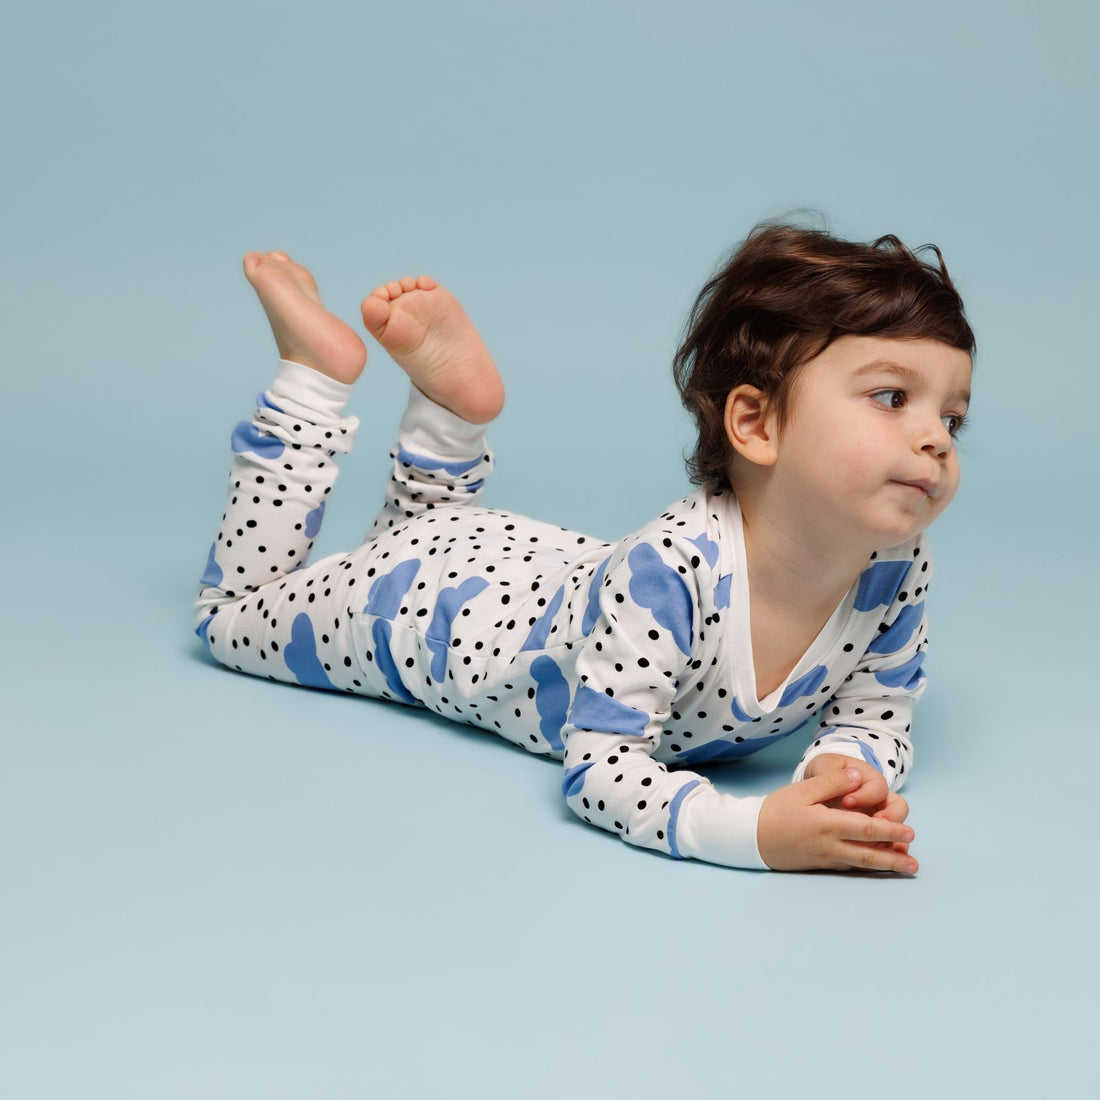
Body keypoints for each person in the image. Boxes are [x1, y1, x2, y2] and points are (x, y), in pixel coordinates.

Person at [194, 223, 974, 874]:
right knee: (228, 620)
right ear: (757, 426)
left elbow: (877, 714)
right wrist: (756, 833)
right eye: (892, 398)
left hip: (525, 567)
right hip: (425, 613)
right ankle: (312, 378)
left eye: (953, 417)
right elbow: (600, 768)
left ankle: (445, 415)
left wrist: (845, 778)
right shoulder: (670, 570)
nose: (935, 438)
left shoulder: (895, 564)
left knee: (418, 534)